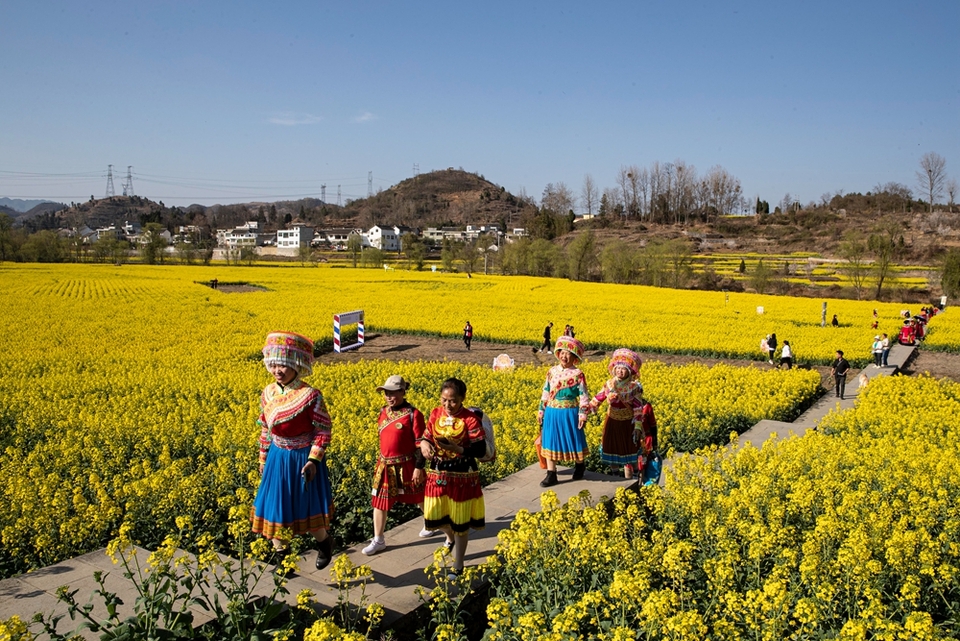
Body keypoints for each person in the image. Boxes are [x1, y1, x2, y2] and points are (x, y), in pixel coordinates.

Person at [251, 331, 335, 570]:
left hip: (302, 459)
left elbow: (323, 431)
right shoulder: (267, 393)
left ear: (297, 365)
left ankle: (325, 543)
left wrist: (313, 461)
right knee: (276, 510)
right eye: (274, 364)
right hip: (277, 458)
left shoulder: (310, 395)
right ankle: (283, 560)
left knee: (307, 508)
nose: (278, 370)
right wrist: (263, 458)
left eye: (284, 365)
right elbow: (266, 430)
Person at [420, 378, 486, 579]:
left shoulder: (470, 419)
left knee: (460, 521)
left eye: (453, 401)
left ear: (462, 399)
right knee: (434, 516)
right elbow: (427, 435)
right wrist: (424, 444)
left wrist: (456, 448)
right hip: (438, 474)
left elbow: (480, 449)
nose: (448, 405)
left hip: (462, 475)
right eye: (444, 400)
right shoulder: (435, 413)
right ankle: (450, 539)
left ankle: (459, 564)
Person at [361, 375, 430, 556]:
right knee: (379, 502)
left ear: (402, 391)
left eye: (393, 393)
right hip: (385, 465)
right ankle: (378, 539)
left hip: (407, 464)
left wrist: (419, 467)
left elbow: (420, 443)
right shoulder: (383, 411)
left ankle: (432, 523)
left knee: (421, 497)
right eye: (386, 393)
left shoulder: (413, 414)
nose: (389, 397)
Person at [538, 336, 590, 487]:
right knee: (550, 440)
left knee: (574, 439)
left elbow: (583, 395)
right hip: (552, 411)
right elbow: (546, 391)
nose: (564, 356)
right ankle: (551, 474)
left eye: (568, 353)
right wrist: (541, 410)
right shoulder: (552, 371)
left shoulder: (578, 374)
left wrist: (582, 414)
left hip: (569, 412)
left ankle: (580, 465)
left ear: (575, 357)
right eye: (562, 352)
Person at [589, 348, 645, 478]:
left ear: (630, 371)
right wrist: (589, 407)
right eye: (618, 368)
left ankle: (634, 477)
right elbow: (599, 397)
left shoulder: (634, 387)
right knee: (611, 447)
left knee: (629, 449)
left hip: (627, 422)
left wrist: (637, 426)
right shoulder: (609, 384)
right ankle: (615, 476)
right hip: (612, 420)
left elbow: (637, 407)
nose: (620, 371)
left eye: (623, 368)